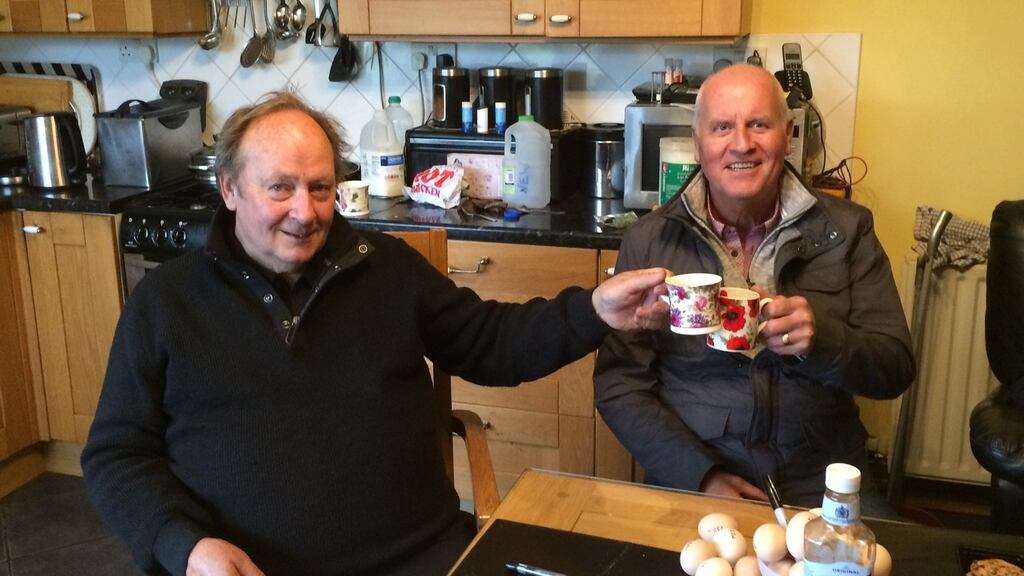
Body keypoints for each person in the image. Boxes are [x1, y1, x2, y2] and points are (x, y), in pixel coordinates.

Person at [81, 91, 670, 576]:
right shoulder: (166, 302)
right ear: (230, 189)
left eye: (320, 188)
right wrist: (185, 547)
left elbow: (492, 341)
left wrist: (594, 310)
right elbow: (116, 455)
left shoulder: (386, 268)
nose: (305, 212)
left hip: (416, 559)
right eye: (280, 187)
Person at [594, 64, 914, 508]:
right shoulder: (649, 239)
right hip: (692, 472)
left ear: (788, 135)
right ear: (698, 142)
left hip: (819, 477)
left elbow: (895, 369)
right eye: (722, 127)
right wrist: (700, 476)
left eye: (759, 124)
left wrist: (822, 341)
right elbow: (619, 384)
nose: (741, 143)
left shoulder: (847, 231)